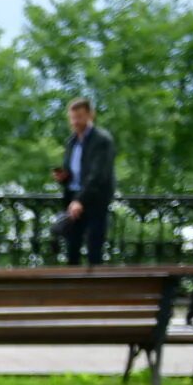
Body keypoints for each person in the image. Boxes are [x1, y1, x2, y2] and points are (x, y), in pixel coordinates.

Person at [60, 98, 116, 266]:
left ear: (91, 115)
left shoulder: (102, 140)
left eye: (79, 117)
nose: (75, 122)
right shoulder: (71, 141)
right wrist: (64, 177)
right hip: (73, 200)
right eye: (73, 118)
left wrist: (80, 201)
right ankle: (71, 291)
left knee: (94, 250)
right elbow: (74, 171)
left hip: (94, 201)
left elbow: (98, 175)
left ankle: (95, 291)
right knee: (71, 249)